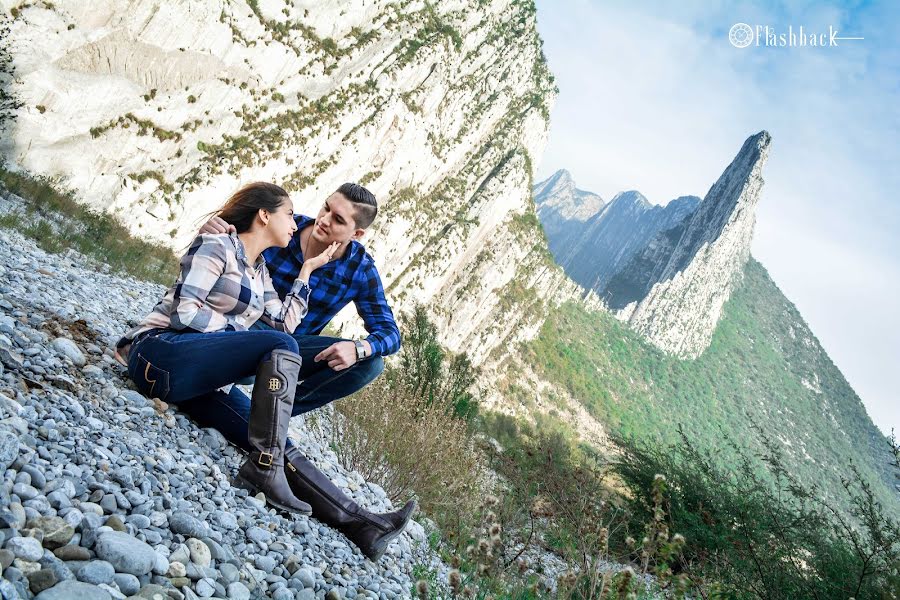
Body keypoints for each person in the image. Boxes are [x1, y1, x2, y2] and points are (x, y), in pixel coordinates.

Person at [189, 182, 414, 561]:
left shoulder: (358, 267)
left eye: (338, 219)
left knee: (370, 362)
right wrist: (215, 225)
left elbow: (390, 334)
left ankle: (273, 411)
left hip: (284, 354)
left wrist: (357, 347)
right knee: (268, 427)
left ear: (356, 234)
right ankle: (362, 522)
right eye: (326, 208)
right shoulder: (285, 227)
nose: (323, 220)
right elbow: (230, 229)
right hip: (234, 342)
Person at [115, 182, 338, 516]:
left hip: (197, 380)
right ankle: (265, 472)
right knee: (280, 348)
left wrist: (307, 271)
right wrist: (237, 336)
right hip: (157, 353)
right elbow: (184, 313)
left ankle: (358, 522)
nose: (296, 225)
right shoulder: (216, 245)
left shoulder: (259, 271)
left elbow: (283, 324)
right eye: (289, 214)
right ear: (264, 215)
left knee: (269, 439)